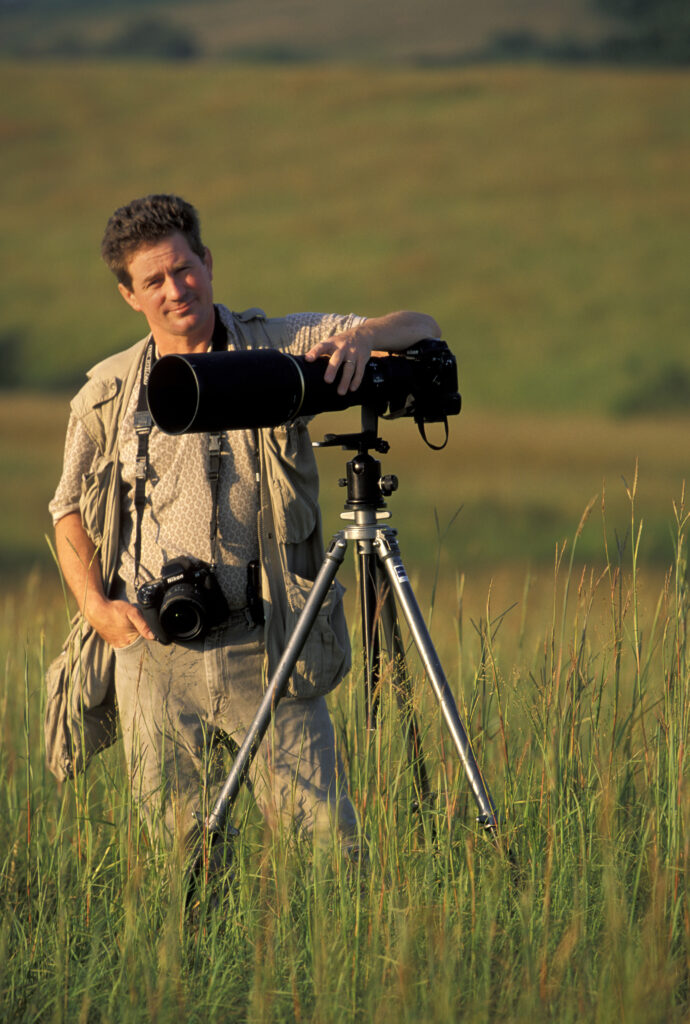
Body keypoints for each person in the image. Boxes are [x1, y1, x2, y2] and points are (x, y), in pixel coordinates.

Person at [49, 193, 441, 859]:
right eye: (154, 281)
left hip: (268, 645)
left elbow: (422, 324)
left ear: (207, 260)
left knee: (330, 853)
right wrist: (96, 607)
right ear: (129, 295)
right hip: (151, 653)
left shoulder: (277, 346)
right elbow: (66, 512)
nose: (176, 290)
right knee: (185, 864)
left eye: (184, 268)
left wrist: (365, 336)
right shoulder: (108, 392)